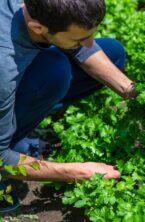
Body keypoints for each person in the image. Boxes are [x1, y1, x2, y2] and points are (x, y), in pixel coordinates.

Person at [0, 0, 136, 189]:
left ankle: (13, 132)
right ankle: (10, 142)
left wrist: (130, 90)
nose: (89, 43)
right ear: (38, 27)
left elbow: (84, 45)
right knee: (55, 72)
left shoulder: (34, 10)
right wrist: (75, 172)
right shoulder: (4, 68)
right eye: (79, 40)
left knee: (113, 53)